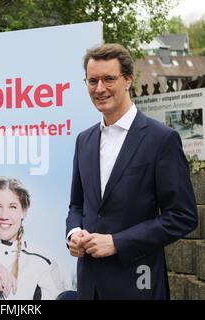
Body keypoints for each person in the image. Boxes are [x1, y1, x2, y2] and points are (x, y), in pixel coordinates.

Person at [66, 43, 198, 300]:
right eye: (92, 81)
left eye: (108, 79)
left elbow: (183, 216)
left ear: (128, 80)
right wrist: (73, 234)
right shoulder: (84, 140)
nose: (100, 88)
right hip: (89, 285)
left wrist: (117, 242)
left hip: (138, 284)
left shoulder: (162, 139)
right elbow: (77, 205)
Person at [0, 176, 63, 300]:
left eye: (12, 207)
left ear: (24, 211)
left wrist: (0, 291)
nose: (4, 215)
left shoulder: (42, 264)